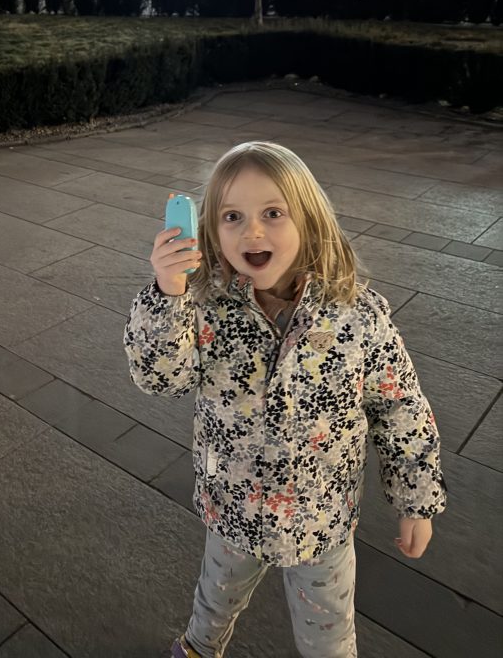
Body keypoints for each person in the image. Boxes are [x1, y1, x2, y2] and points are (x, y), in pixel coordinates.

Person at [125, 142, 445, 658]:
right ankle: (199, 648)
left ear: (309, 221)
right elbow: (161, 379)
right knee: (215, 600)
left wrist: (416, 500)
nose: (252, 232)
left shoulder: (357, 314)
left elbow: (400, 406)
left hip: (322, 518)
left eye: (273, 213)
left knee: (329, 635)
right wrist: (168, 294)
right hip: (233, 508)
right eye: (233, 216)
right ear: (210, 231)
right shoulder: (201, 307)